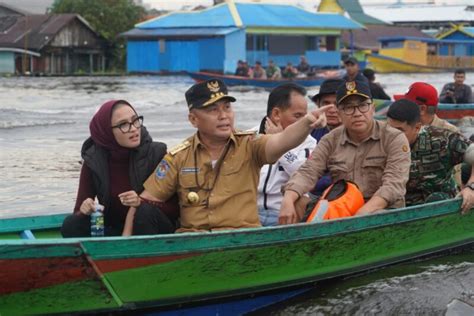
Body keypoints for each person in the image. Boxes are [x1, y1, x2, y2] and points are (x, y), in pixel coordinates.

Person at [132, 79, 332, 234]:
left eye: (227, 107)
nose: (224, 116)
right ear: (193, 119)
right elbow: (146, 202)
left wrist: (307, 122)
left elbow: (283, 140)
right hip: (194, 243)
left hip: (242, 241)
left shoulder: (251, 145)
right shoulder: (179, 156)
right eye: (213, 110)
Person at [279, 79, 411, 224]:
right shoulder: (331, 140)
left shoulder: (394, 138)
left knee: (375, 215)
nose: (357, 113)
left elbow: (393, 185)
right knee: (298, 201)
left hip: (381, 210)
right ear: (340, 113)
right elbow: (308, 171)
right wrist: (288, 199)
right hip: (342, 207)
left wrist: (362, 213)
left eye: (363, 106)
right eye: (348, 108)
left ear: (372, 108)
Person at [61, 100, 176, 237]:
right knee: (71, 224)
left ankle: (144, 255)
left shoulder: (157, 154)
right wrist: (85, 209)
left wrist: (141, 203)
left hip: (154, 228)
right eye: (123, 125)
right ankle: (108, 253)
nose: (133, 128)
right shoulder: (93, 160)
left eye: (135, 121)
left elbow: (176, 208)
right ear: (106, 131)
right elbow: (79, 211)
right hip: (115, 229)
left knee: (144, 212)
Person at [386, 98, 474, 212]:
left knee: (436, 200)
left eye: (399, 131)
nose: (392, 136)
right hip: (397, 208)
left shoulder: (442, 140)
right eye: (389, 129)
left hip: (439, 206)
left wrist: (471, 187)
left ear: (417, 128)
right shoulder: (382, 141)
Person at [256, 83, 317, 226]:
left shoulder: (309, 142)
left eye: (305, 115)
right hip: (250, 214)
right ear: (276, 114)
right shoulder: (250, 137)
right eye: (297, 116)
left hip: (283, 215)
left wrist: (280, 145)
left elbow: (304, 174)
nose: (304, 121)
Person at [310, 78, 344, 142]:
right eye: (326, 103)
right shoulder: (311, 132)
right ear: (318, 105)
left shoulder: (358, 136)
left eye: (337, 104)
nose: (332, 110)